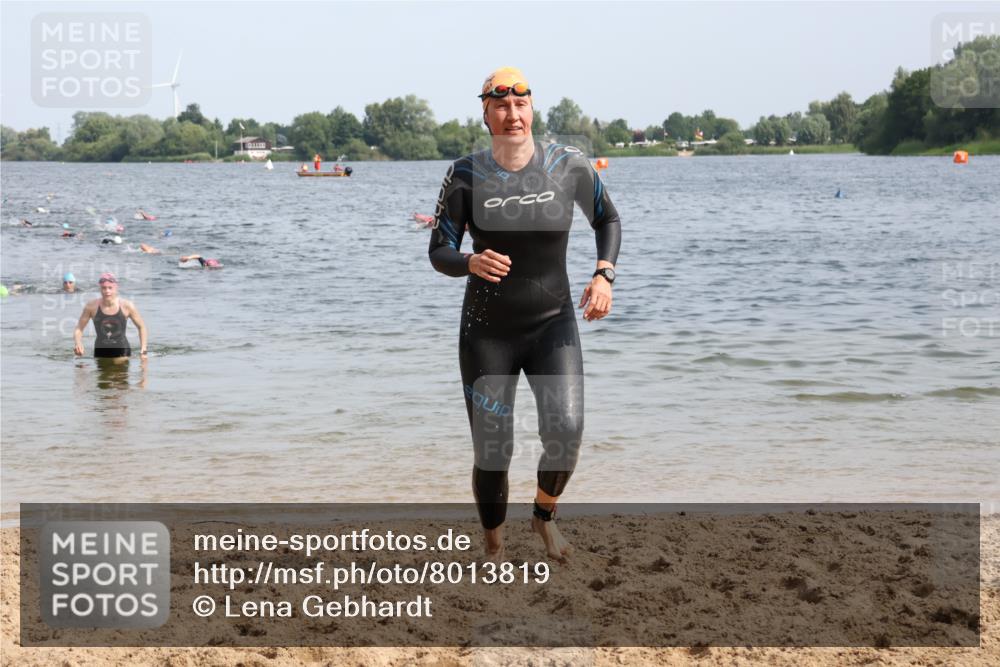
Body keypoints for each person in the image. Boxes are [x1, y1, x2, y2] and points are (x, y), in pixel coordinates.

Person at [428, 67, 621, 562]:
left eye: (520, 105)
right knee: (494, 451)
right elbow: (439, 250)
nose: (512, 115)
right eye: (501, 106)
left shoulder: (567, 164)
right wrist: (469, 260)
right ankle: (493, 545)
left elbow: (607, 219)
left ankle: (544, 517)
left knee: (567, 432)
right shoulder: (466, 173)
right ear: (486, 113)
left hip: (551, 324)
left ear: (531, 108)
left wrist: (604, 275)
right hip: (487, 330)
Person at [73, 273, 148, 360]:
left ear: (116, 288)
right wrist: (78, 343)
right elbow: (79, 328)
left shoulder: (127, 306)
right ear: (100, 289)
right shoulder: (91, 306)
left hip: (122, 351)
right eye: (104, 288)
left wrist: (144, 349)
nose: (107, 291)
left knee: (118, 366)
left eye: (110, 288)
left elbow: (141, 327)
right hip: (100, 351)